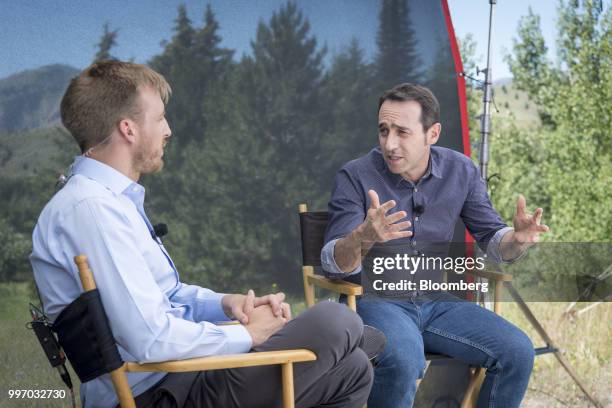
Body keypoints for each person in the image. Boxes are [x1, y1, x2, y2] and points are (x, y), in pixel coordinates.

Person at [30, 60, 380, 408]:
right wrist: (247, 333)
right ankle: (355, 338)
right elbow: (150, 339)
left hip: (179, 379)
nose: (168, 129)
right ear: (128, 129)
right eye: (159, 118)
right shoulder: (91, 209)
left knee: (354, 369)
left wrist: (229, 306)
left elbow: (167, 296)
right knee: (337, 320)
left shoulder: (108, 202)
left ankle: (355, 342)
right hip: (158, 394)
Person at [321, 83, 550, 408]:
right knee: (404, 359)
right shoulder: (355, 176)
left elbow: (496, 243)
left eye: (402, 132)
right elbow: (332, 263)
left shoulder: (461, 170)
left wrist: (517, 240)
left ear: (433, 133)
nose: (389, 144)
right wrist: (363, 236)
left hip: (436, 301)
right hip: (373, 301)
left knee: (517, 351)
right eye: (383, 131)